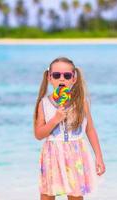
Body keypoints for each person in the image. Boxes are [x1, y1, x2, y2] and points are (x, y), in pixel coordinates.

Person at [33, 57, 106, 200]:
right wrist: (55, 119)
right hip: (52, 153)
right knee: (47, 194)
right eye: (56, 75)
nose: (62, 79)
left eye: (67, 76)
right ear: (49, 78)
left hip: (76, 154)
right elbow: (38, 134)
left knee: (75, 195)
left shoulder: (81, 102)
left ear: (73, 78)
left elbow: (90, 130)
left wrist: (99, 157)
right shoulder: (44, 103)